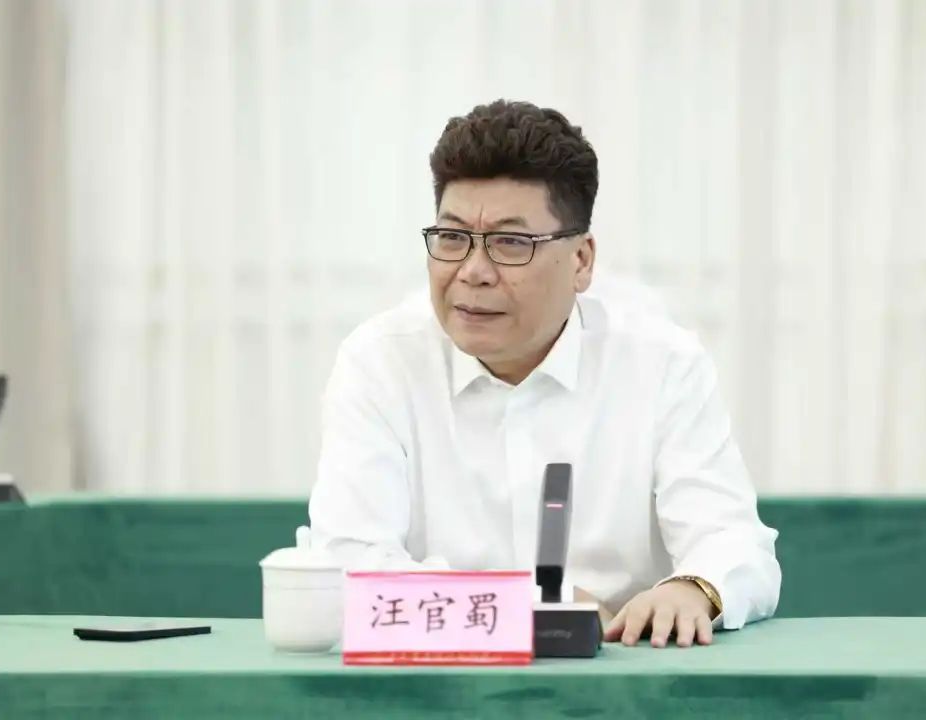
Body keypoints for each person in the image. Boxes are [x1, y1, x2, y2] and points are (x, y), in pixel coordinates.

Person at [310, 99, 780, 648]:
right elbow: (348, 564)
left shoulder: (663, 365)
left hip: (621, 676)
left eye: (511, 243)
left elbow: (732, 542)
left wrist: (692, 589)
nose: (473, 272)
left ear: (581, 261)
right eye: (452, 237)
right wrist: (523, 609)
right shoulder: (380, 363)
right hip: (440, 682)